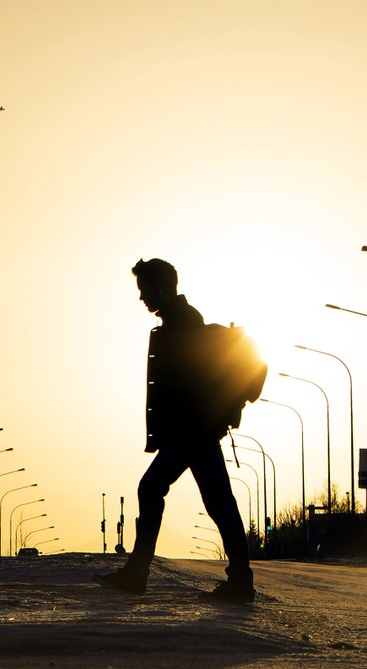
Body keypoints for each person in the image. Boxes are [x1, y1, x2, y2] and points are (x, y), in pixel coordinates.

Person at [94, 258, 265, 603]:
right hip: (194, 430)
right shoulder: (177, 323)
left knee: (152, 488)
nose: (141, 297)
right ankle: (240, 580)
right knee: (219, 502)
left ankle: (138, 573)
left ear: (159, 287)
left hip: (191, 431)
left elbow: (190, 381)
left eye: (144, 289)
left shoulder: (184, 325)